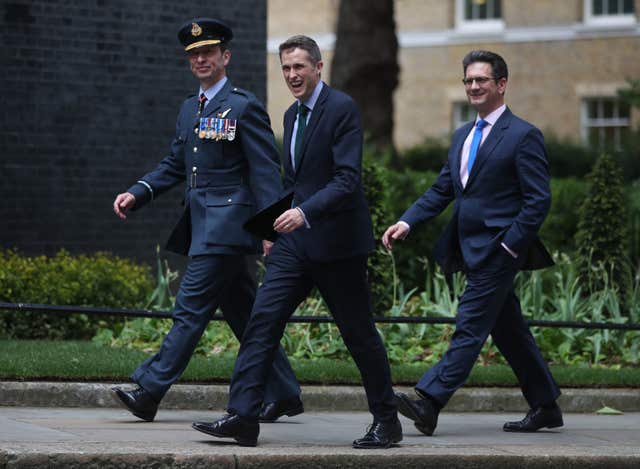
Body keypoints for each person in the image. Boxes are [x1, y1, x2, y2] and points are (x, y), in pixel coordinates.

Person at [191, 35, 401, 448]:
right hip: (294, 247)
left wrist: (304, 213)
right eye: (286, 68)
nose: (292, 76)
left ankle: (387, 421)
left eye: (299, 67)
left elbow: (346, 179)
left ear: (318, 67)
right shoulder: (290, 115)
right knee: (261, 322)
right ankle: (243, 416)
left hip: (338, 247)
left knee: (359, 335)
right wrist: (271, 230)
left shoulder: (341, 108)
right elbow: (293, 182)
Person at [110, 18, 302, 424]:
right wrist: (139, 190)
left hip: (228, 228)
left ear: (225, 57)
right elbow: (174, 163)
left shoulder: (243, 105)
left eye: (208, 52)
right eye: (193, 54)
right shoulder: (188, 108)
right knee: (247, 317)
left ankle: (150, 390)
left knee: (189, 310)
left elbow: (265, 171)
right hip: (204, 227)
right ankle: (283, 392)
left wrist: (271, 229)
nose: (200, 59)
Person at [382, 50, 562, 436]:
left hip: (498, 249)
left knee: (470, 324)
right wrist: (406, 221)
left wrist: (510, 245)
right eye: (468, 80)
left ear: (501, 84)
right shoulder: (463, 135)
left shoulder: (523, 135)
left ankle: (429, 401)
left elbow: (538, 200)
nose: (474, 86)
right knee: (509, 329)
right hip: (469, 247)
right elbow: (443, 189)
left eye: (481, 80)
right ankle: (546, 405)